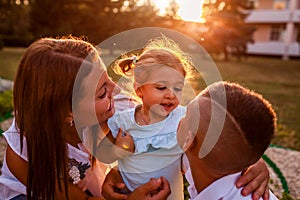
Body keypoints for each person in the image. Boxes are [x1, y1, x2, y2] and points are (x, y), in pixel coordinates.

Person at [100, 37, 271, 200]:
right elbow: (103, 155)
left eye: (178, 88)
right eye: (161, 87)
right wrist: (119, 150)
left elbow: (226, 136)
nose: (171, 95)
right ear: (139, 90)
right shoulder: (123, 121)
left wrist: (254, 162)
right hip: (131, 195)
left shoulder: (184, 117)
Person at [0, 37, 170, 200]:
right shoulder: (23, 153)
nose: (116, 89)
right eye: (102, 93)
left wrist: (120, 168)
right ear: (68, 113)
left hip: (84, 185)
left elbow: (166, 132)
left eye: (108, 79)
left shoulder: (116, 109)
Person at [176, 81, 278, 199]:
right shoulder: (209, 163)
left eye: (186, 113)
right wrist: (252, 160)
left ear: (189, 140)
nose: (179, 118)